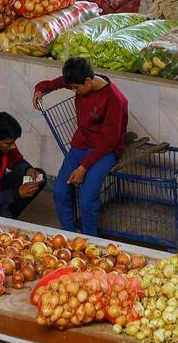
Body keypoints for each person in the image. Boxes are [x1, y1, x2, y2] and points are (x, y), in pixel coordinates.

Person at [31, 57, 127, 236]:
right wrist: (40, 88)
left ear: (88, 81)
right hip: (81, 144)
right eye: (72, 87)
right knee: (60, 190)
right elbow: (59, 82)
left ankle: (90, 240)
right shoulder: (80, 81)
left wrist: (83, 167)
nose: (74, 91)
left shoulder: (114, 99)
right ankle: (69, 235)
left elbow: (110, 141)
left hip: (105, 150)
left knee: (87, 199)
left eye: (76, 88)